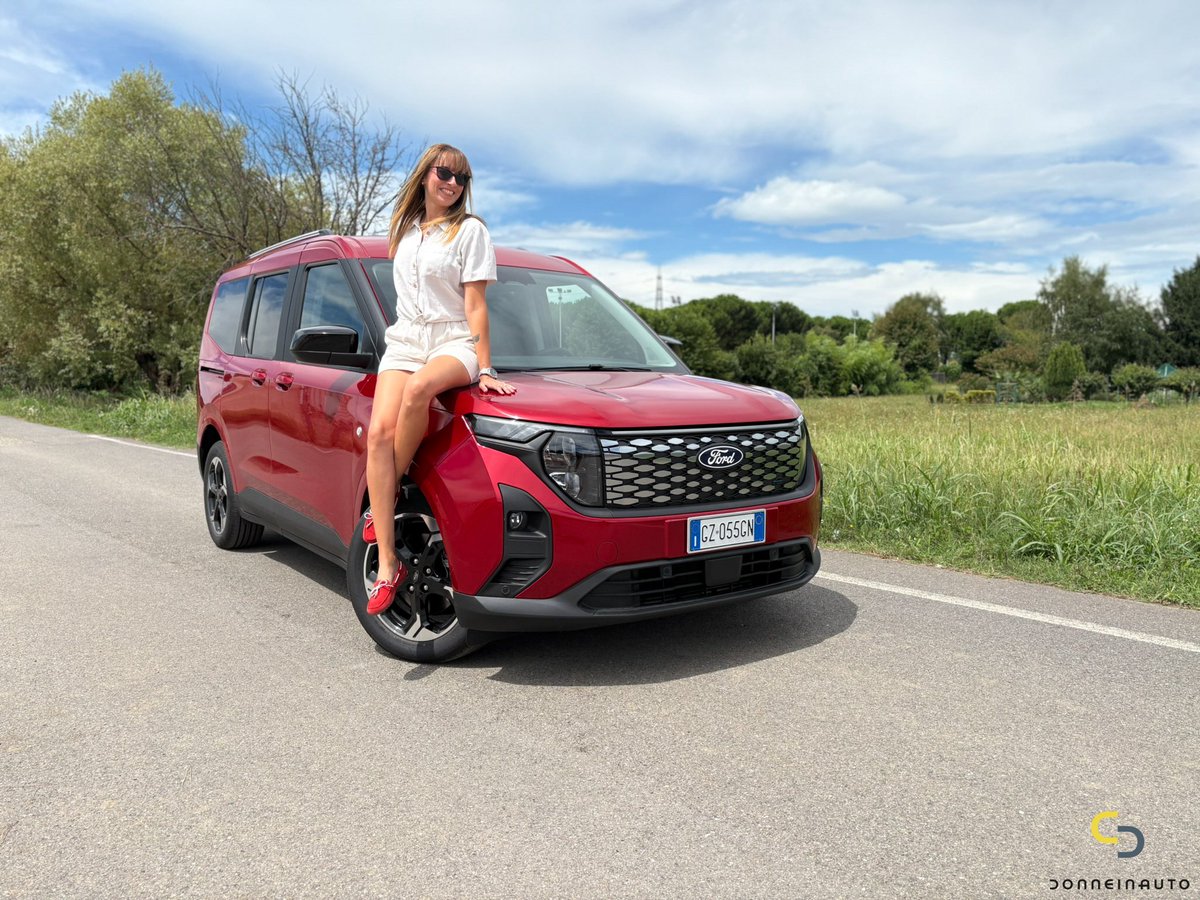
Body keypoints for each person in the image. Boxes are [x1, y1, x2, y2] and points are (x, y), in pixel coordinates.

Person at [363, 143, 516, 616]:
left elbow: (475, 305)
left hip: (455, 343)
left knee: (418, 391)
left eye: (461, 179)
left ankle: (385, 497)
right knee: (376, 437)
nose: (452, 183)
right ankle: (386, 564)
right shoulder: (405, 232)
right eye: (445, 173)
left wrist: (485, 367)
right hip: (406, 341)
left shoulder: (469, 232)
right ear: (426, 175)